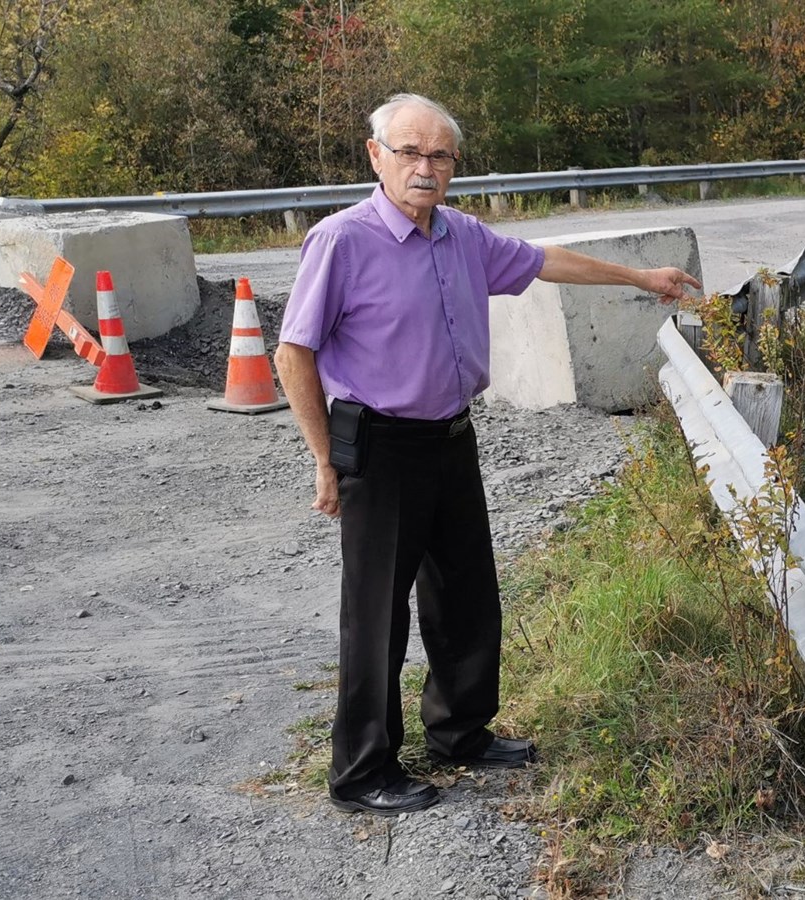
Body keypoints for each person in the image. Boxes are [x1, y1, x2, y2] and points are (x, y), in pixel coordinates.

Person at [273, 93, 701, 816]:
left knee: (466, 595)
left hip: (451, 436)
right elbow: (293, 352)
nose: (425, 167)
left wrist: (640, 278)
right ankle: (362, 771)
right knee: (376, 613)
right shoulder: (341, 241)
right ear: (376, 155)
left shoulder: (462, 235)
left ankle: (461, 731)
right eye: (409, 151)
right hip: (379, 447)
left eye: (440, 155)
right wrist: (324, 460)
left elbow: (544, 261)